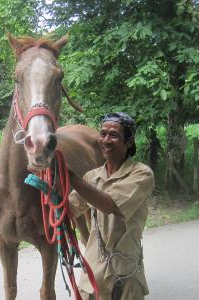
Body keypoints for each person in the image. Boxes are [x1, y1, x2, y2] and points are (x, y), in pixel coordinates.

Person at [68, 112, 155, 300]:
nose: (105, 140)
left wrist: (70, 177)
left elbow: (109, 204)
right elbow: (67, 210)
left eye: (113, 135)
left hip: (125, 276)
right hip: (92, 277)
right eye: (103, 133)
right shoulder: (92, 177)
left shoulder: (141, 174)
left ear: (129, 142)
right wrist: (46, 181)